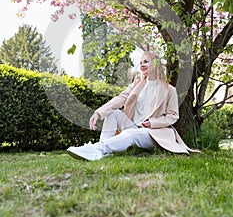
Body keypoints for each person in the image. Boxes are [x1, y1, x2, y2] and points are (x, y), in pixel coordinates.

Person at [67, 51, 198, 161]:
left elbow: (173, 116)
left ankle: (97, 149)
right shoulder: (137, 84)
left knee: (131, 134)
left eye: (146, 61)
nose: (142, 64)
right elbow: (120, 98)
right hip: (133, 125)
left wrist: (153, 122)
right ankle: (102, 152)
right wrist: (98, 113)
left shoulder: (169, 90)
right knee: (113, 113)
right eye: (141, 62)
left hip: (153, 132)